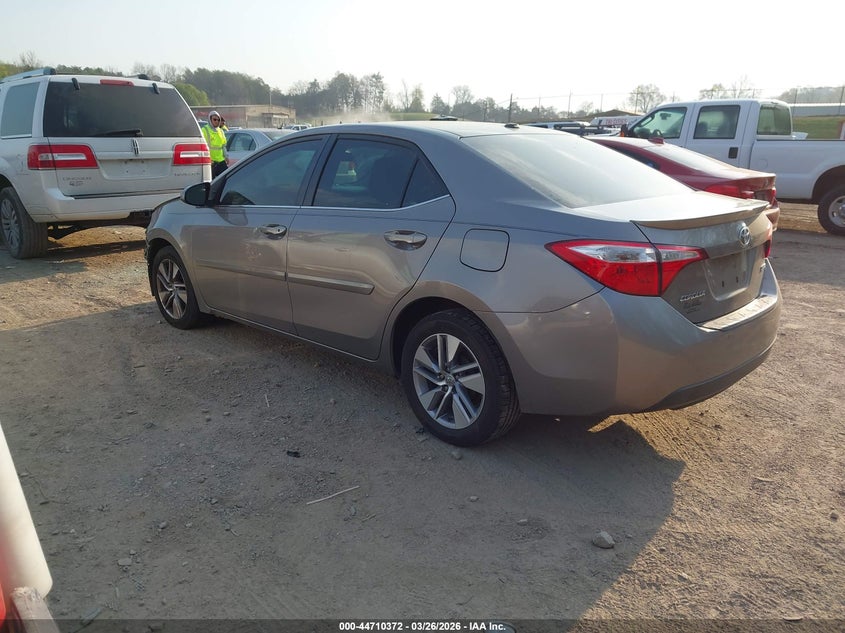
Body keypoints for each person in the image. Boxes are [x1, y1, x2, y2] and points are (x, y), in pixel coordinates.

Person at [202, 110, 228, 178]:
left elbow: (223, 146)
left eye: (218, 119)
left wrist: (226, 156)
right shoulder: (204, 130)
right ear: (210, 119)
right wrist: (208, 159)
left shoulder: (221, 131)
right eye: (214, 119)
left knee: (226, 178)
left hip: (221, 160)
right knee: (211, 182)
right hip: (211, 162)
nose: (217, 121)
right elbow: (203, 146)